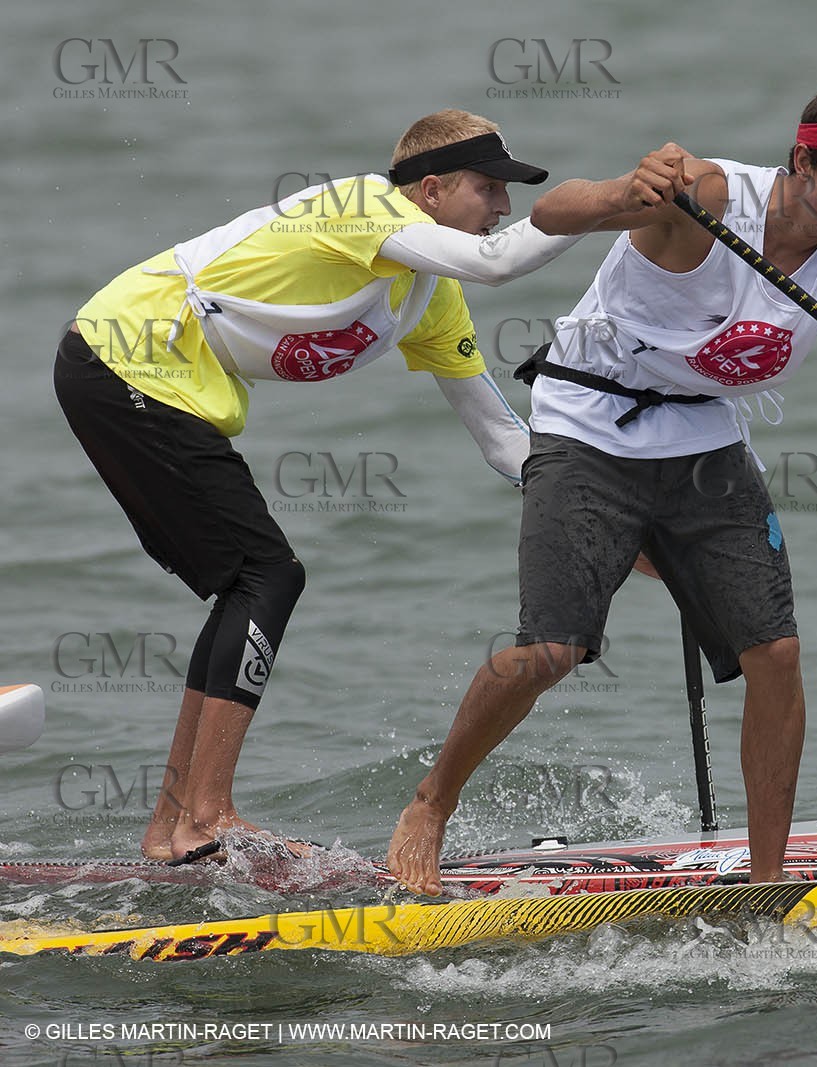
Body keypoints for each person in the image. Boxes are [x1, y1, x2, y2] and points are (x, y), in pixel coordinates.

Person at [387, 87, 817, 894]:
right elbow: (557, 211)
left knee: (777, 650)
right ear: (803, 161)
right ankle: (431, 800)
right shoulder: (705, 196)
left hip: (701, 441)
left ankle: (768, 885)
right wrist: (626, 193)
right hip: (587, 422)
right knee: (551, 649)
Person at [55, 109, 583, 864]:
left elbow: (503, 438)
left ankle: (173, 829)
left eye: (508, 194)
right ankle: (207, 816)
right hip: (121, 358)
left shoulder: (430, 296)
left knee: (248, 579)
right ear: (429, 190)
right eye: (488, 188)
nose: (501, 207)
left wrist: (607, 503)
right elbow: (500, 260)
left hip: (148, 383)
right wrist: (602, 204)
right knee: (269, 573)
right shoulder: (358, 204)